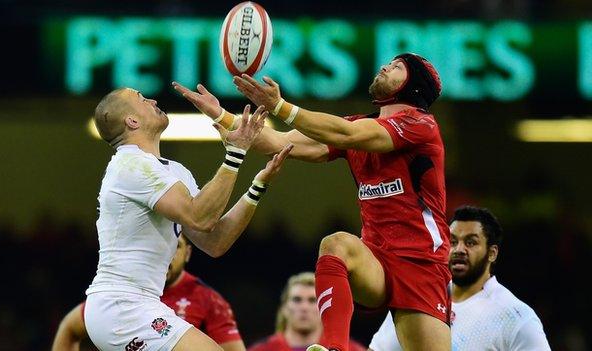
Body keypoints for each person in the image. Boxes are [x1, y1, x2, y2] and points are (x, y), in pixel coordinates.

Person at [173, 52, 450, 351]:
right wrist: (220, 114)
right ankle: (333, 348)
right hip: (376, 260)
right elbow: (277, 143)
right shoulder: (357, 128)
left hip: (421, 263)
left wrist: (279, 106)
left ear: (414, 87)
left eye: (397, 68)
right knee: (336, 244)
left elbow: (348, 133)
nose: (384, 66)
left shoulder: (420, 125)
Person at [84, 87, 292, 351]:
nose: (153, 100)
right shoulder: (130, 165)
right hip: (121, 305)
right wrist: (235, 153)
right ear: (132, 121)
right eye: (141, 98)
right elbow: (199, 216)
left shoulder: (173, 171)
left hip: (138, 304)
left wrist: (256, 187)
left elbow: (214, 240)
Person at [368, 206, 551, 351]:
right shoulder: (418, 296)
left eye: (470, 242)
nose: (459, 250)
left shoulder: (516, 317)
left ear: (492, 253)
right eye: (453, 242)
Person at [52, 235, 246, 351]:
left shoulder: (209, 300)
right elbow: (69, 327)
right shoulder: (125, 292)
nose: (167, 253)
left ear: (187, 253)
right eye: (161, 246)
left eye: (176, 246)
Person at [248, 272, 365, 351]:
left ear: (324, 308)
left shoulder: (349, 349)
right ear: (284, 308)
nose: (304, 307)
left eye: (312, 300)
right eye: (297, 300)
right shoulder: (261, 349)